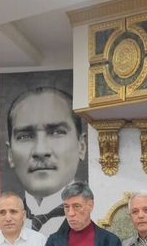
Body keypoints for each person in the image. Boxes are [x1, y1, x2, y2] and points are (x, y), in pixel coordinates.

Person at [5, 86, 87, 234]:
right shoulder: (2, 227)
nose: (40, 151)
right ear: (10, 154)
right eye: (25, 136)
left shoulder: (100, 217)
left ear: (81, 146)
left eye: (57, 132)